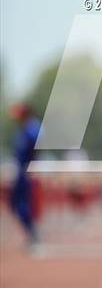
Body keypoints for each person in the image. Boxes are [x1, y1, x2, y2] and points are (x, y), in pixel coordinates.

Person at [9, 103, 41, 249]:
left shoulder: (33, 128)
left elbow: (37, 148)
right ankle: (32, 234)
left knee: (23, 205)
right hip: (21, 171)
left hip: (27, 172)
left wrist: (33, 167)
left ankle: (34, 235)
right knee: (15, 204)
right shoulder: (24, 129)